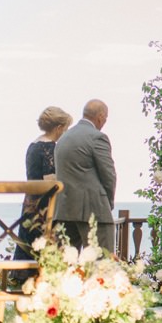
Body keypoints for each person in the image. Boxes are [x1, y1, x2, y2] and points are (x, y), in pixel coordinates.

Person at [54, 99, 117, 251]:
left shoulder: (63, 138)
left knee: (65, 266)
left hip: (64, 210)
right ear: (100, 117)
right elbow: (108, 175)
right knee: (102, 263)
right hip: (94, 209)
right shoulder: (97, 137)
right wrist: (108, 202)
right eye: (105, 119)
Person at [16, 106, 71, 275]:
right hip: (44, 206)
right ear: (59, 128)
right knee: (47, 251)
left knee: (28, 249)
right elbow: (50, 181)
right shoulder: (49, 147)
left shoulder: (33, 145)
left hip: (30, 203)